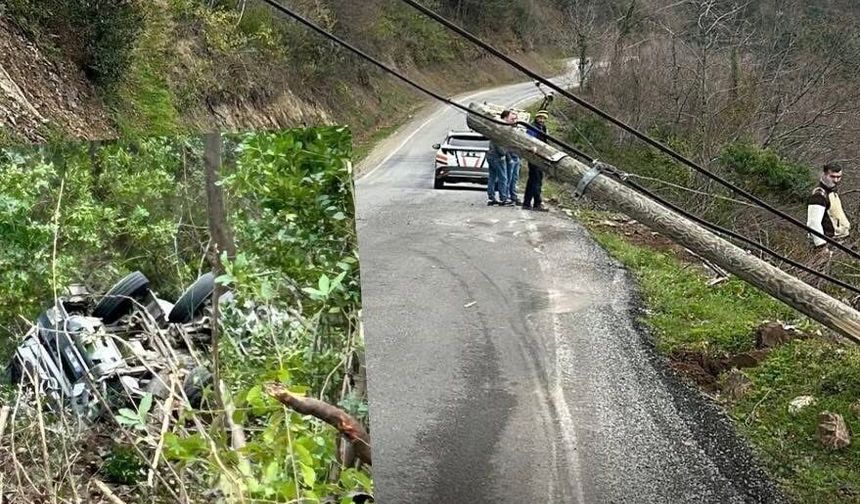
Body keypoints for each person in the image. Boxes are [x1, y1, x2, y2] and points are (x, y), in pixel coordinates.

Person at [805, 161, 850, 286]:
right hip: (826, 243)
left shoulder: (831, 193)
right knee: (816, 278)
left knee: (828, 279)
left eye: (838, 177)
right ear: (824, 175)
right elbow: (813, 223)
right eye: (832, 176)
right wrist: (821, 247)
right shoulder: (819, 195)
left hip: (834, 242)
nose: (836, 180)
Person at [522, 110, 549, 212]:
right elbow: (529, 139)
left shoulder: (543, 128)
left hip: (540, 156)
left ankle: (527, 203)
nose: (541, 120)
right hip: (534, 157)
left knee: (532, 180)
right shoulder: (532, 127)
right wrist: (532, 147)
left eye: (543, 118)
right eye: (540, 118)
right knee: (536, 180)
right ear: (536, 118)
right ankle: (537, 203)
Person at [486, 110, 512, 206]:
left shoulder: (495, 126)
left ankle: (491, 197)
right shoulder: (501, 127)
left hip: (490, 155)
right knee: (503, 178)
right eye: (510, 117)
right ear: (505, 117)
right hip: (497, 156)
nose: (511, 119)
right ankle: (503, 198)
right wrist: (504, 153)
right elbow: (499, 144)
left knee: (492, 177)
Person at [505, 111, 522, 205]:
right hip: (510, 157)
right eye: (512, 119)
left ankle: (513, 196)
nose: (514, 121)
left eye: (516, 119)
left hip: (517, 157)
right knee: (508, 178)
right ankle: (506, 197)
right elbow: (504, 145)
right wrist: (509, 158)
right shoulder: (505, 129)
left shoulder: (517, 130)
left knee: (515, 179)